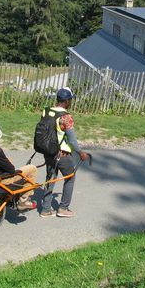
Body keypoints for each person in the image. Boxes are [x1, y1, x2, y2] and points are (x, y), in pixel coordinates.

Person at [40, 87, 90, 218]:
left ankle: (45, 209)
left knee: (50, 178)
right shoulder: (66, 117)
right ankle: (63, 208)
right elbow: (72, 141)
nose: (71, 102)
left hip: (48, 152)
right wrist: (80, 153)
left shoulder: (46, 111)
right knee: (70, 177)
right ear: (67, 101)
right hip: (61, 154)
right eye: (70, 100)